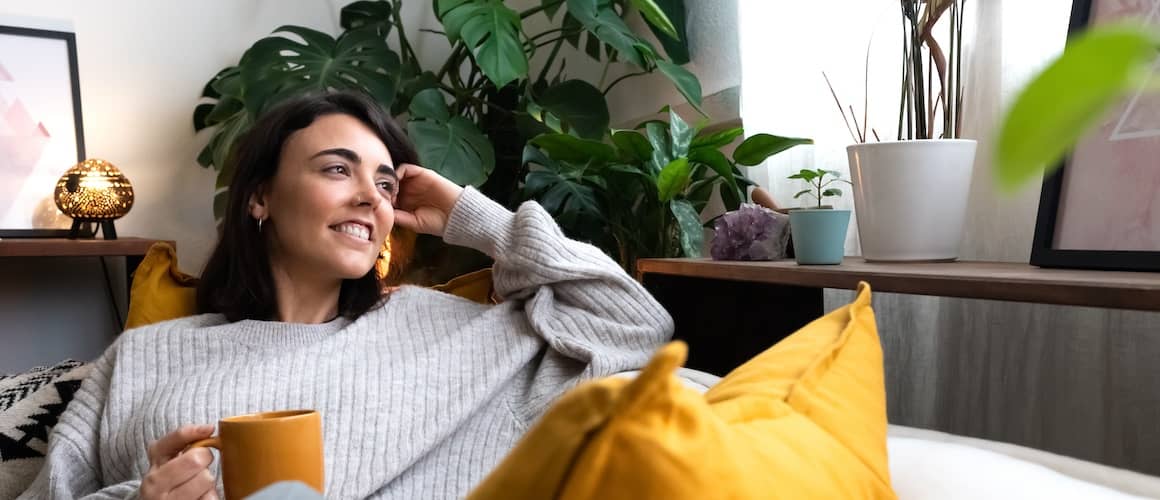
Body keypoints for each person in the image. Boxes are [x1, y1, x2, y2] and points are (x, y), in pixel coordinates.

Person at [19, 91, 673, 499]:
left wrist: (474, 218)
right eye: (337, 168)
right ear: (260, 197)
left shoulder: (455, 332)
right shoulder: (144, 357)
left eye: (386, 184)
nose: (370, 194)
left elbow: (633, 327)